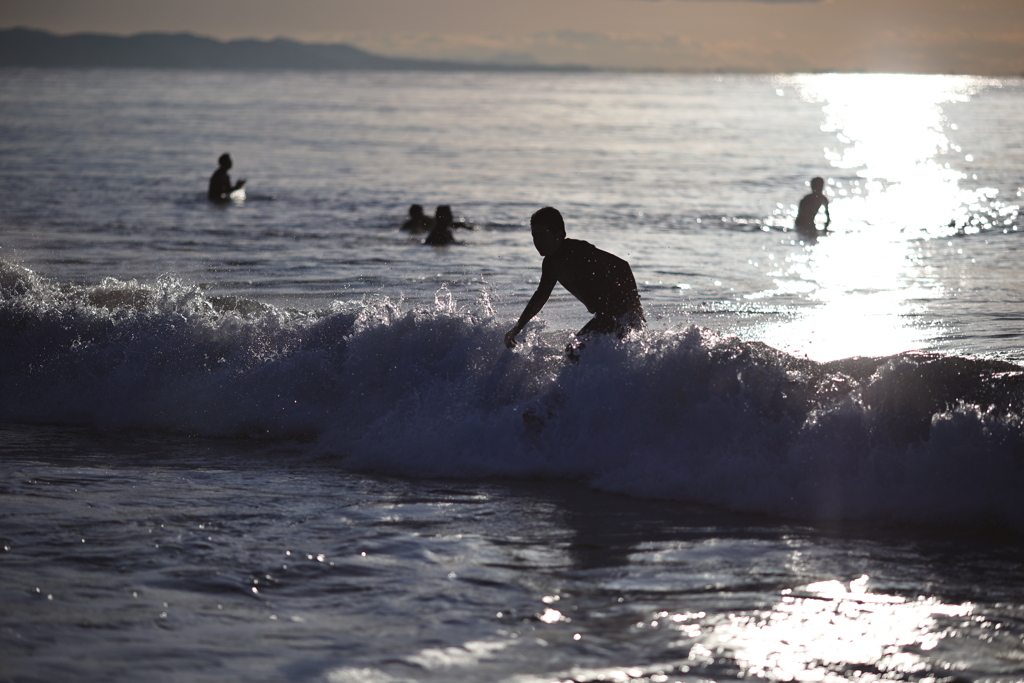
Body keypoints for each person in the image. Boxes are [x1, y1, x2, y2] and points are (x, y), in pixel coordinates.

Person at [504, 207, 645, 351]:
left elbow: (622, 266)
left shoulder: (578, 251)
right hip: (604, 316)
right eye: (534, 236)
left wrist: (635, 306)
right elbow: (541, 295)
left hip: (619, 313)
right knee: (582, 352)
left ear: (560, 234)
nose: (537, 242)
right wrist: (518, 327)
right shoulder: (550, 264)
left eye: (542, 235)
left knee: (573, 351)